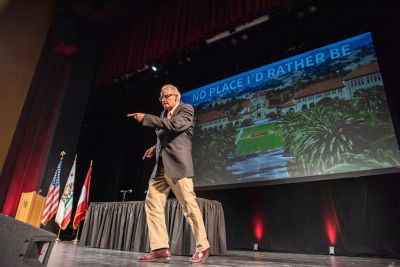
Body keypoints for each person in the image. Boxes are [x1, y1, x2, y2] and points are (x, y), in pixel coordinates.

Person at [127, 84, 210, 264]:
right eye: (161, 97)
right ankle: (160, 248)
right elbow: (166, 136)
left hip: (178, 167)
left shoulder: (186, 109)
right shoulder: (164, 114)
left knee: (189, 206)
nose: (163, 100)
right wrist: (154, 147)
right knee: (152, 203)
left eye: (166, 96)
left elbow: (175, 126)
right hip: (161, 168)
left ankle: (203, 246)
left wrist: (146, 118)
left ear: (177, 96)